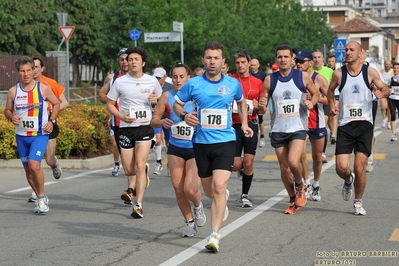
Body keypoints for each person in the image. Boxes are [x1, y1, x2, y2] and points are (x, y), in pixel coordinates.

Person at [174, 41, 253, 253]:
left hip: (226, 141)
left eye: (216, 58)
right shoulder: (193, 84)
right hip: (201, 143)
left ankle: (214, 235)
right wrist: (184, 115)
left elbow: (242, 102)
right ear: (203, 60)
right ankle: (221, 199)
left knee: (219, 186)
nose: (212, 61)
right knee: (209, 190)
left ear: (223, 61)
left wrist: (244, 123)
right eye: (208, 57)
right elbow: (177, 103)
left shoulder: (232, 84)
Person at [327, 41, 389, 216]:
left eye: (351, 50)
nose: (347, 52)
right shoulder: (339, 74)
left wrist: (381, 93)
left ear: (360, 54)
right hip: (345, 125)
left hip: (364, 125)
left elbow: (385, 89)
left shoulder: (369, 72)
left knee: (359, 167)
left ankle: (358, 201)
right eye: (346, 50)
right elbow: (330, 90)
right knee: (341, 167)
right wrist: (332, 104)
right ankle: (348, 180)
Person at [258, 44, 319, 215]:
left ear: (293, 59)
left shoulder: (303, 76)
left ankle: (299, 184)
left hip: (298, 128)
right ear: (276, 59)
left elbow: (315, 94)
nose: (283, 59)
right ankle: (293, 198)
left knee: (294, 161)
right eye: (280, 57)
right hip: (278, 129)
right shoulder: (270, 80)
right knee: (284, 169)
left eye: (286, 57)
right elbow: (262, 107)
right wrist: (261, 107)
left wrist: (311, 103)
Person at [151, 62, 206, 237]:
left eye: (182, 76)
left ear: (188, 78)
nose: (178, 80)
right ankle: (189, 223)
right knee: (178, 188)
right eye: (175, 76)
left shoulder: (197, 95)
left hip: (195, 148)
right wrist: (162, 122)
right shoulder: (167, 96)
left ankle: (198, 206)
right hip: (175, 148)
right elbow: (154, 120)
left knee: (191, 189)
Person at [107, 46, 163, 218]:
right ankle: (143, 171)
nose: (132, 62)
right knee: (129, 169)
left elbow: (159, 103)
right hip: (125, 128)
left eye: (136, 59)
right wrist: (121, 116)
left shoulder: (152, 81)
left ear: (143, 63)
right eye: (130, 59)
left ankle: (138, 205)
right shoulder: (120, 81)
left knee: (138, 165)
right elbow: (109, 103)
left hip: (144, 127)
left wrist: (155, 101)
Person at [4, 56, 61, 213]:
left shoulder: (42, 88)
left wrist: (52, 121)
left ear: (34, 70)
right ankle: (38, 194)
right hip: (21, 136)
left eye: (29, 70)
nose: (26, 74)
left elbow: (56, 103)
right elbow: (7, 110)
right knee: (28, 170)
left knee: (34, 165)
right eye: (22, 71)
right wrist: (11, 117)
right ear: (18, 72)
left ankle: (41, 198)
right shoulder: (13, 91)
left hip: (39, 134)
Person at [295, 50, 328, 201]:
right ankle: (306, 183)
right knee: (300, 154)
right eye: (297, 61)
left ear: (310, 63)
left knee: (317, 156)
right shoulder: (293, 77)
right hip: (300, 122)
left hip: (317, 122)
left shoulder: (318, 79)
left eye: (302, 61)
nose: (299, 64)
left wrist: (316, 98)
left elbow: (331, 101)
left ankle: (316, 184)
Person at [231, 50, 263, 207]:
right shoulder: (230, 80)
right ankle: (240, 168)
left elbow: (262, 110)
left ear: (249, 63)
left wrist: (258, 107)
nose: (240, 65)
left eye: (243, 62)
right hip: (233, 125)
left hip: (250, 124)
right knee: (236, 164)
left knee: (249, 162)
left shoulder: (257, 83)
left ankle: (244, 195)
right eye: (237, 63)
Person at [311, 50, 335, 162]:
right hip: (310, 104)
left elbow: (333, 88)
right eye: (314, 57)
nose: (316, 59)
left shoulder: (329, 71)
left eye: (319, 57)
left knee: (323, 124)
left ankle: (323, 152)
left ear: (322, 60)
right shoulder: (307, 71)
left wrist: (333, 102)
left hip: (323, 101)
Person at [152, 67, 174, 175]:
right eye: (155, 77)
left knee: (170, 142)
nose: (157, 80)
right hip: (157, 117)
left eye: (159, 78)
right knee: (158, 140)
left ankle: (170, 164)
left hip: (169, 117)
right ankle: (159, 162)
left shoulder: (170, 87)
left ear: (164, 78)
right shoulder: (151, 86)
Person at [250, 58, 267, 148]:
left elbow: (266, 88)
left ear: (258, 65)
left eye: (254, 65)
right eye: (251, 65)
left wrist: (264, 101)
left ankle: (262, 136)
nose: (253, 67)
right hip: (250, 101)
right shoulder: (248, 75)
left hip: (260, 99)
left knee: (260, 118)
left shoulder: (263, 75)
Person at [380, 59, 394, 128]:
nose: (387, 65)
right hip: (383, 90)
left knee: (389, 108)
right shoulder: (381, 72)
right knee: (383, 107)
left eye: (388, 64)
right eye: (386, 64)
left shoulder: (393, 71)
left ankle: (389, 122)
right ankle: (384, 119)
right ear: (384, 64)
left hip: (391, 91)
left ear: (391, 65)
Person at [388, 62, 399, 141]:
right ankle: (393, 134)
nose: (396, 69)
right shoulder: (391, 78)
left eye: (397, 68)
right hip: (392, 98)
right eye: (394, 68)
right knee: (392, 115)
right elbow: (388, 87)